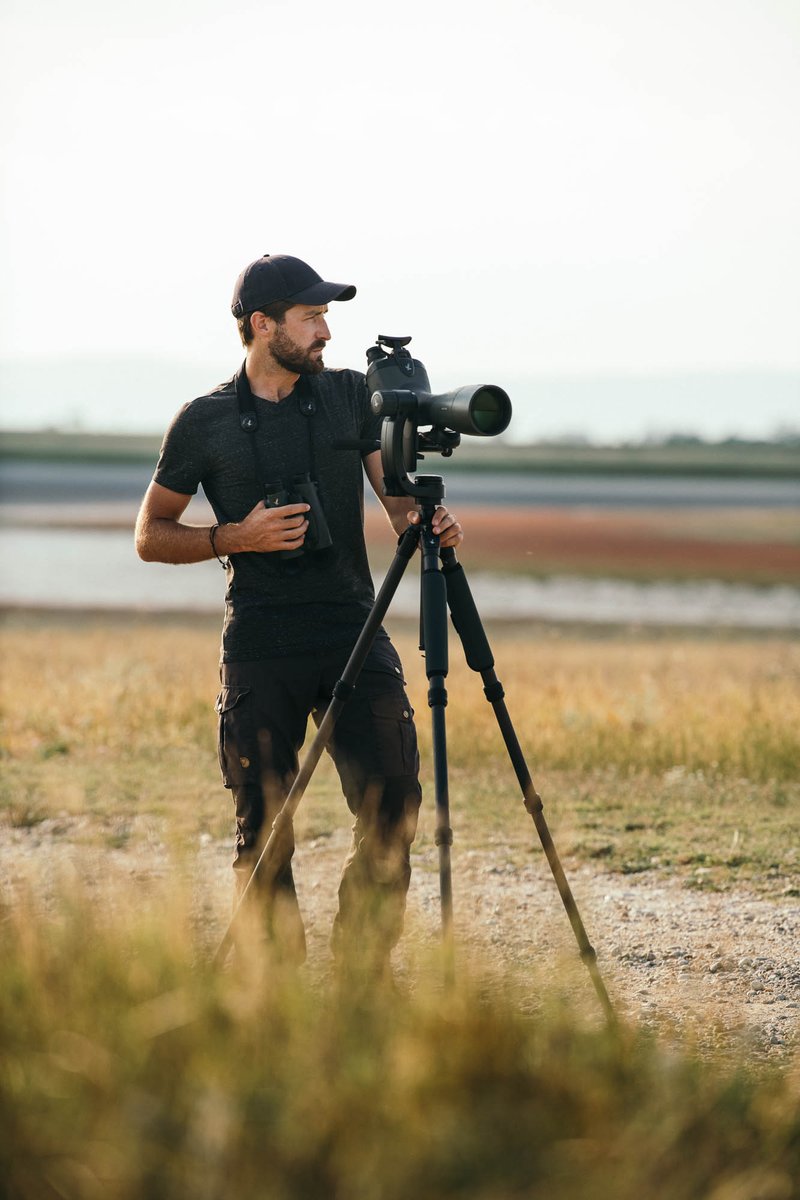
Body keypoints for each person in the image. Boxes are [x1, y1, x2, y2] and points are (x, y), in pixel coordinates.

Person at [135, 252, 462, 977]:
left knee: (394, 805)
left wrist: (426, 520)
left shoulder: (348, 395)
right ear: (263, 324)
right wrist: (234, 537)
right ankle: (277, 999)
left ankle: (360, 983)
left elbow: (396, 503)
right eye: (312, 317)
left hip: (354, 631)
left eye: (326, 318)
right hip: (260, 643)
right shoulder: (205, 421)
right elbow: (149, 535)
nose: (326, 333)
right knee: (263, 835)